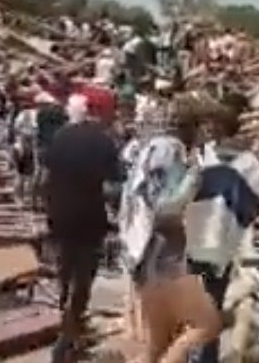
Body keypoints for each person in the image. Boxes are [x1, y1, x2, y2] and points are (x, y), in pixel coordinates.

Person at [118, 100, 221, 363]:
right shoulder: (171, 151)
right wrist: (193, 181)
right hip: (161, 257)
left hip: (144, 256)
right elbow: (165, 211)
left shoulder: (152, 147)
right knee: (206, 324)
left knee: (159, 345)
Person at [186, 109, 259, 363]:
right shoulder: (247, 161)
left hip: (194, 238)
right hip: (223, 244)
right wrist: (240, 219)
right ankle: (205, 357)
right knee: (212, 303)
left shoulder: (199, 159)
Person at [44, 94, 122, 363]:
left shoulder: (60, 136)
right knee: (85, 272)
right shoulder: (104, 141)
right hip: (90, 214)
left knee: (64, 265)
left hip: (60, 211)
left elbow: (45, 174)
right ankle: (72, 324)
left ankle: (66, 315)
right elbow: (114, 184)